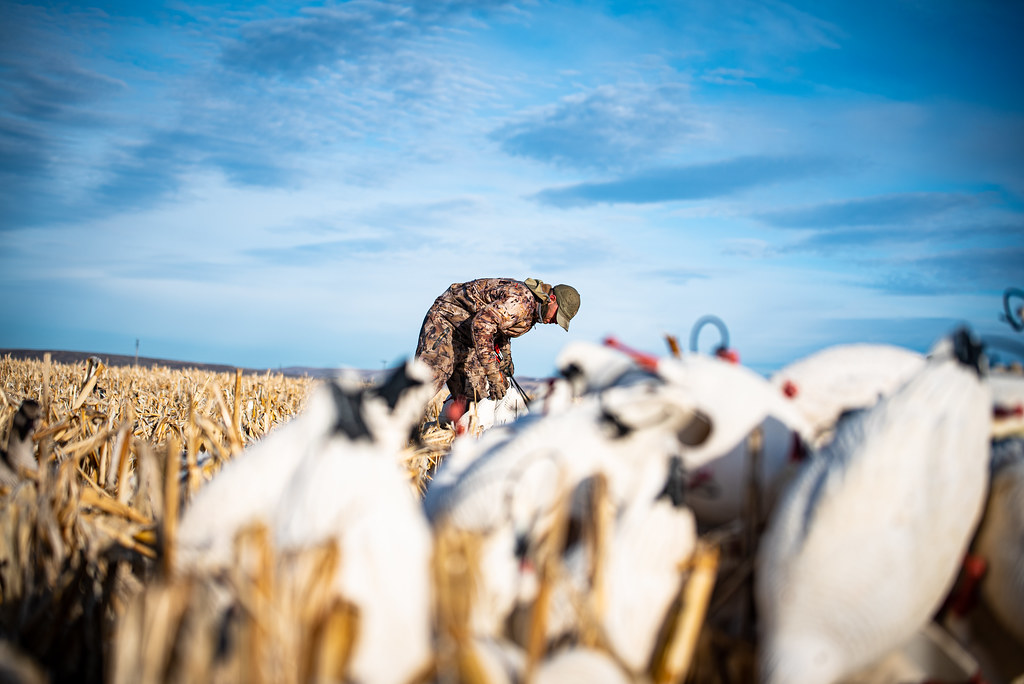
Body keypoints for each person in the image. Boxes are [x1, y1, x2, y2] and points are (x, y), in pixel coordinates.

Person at [415, 277, 580, 402]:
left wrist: (505, 360)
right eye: (557, 315)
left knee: (475, 399)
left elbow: (500, 328)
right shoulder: (520, 302)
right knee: (423, 389)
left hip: (470, 339)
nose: (555, 322)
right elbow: (482, 325)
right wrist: (493, 373)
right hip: (446, 324)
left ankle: (451, 437)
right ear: (552, 300)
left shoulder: (533, 310)